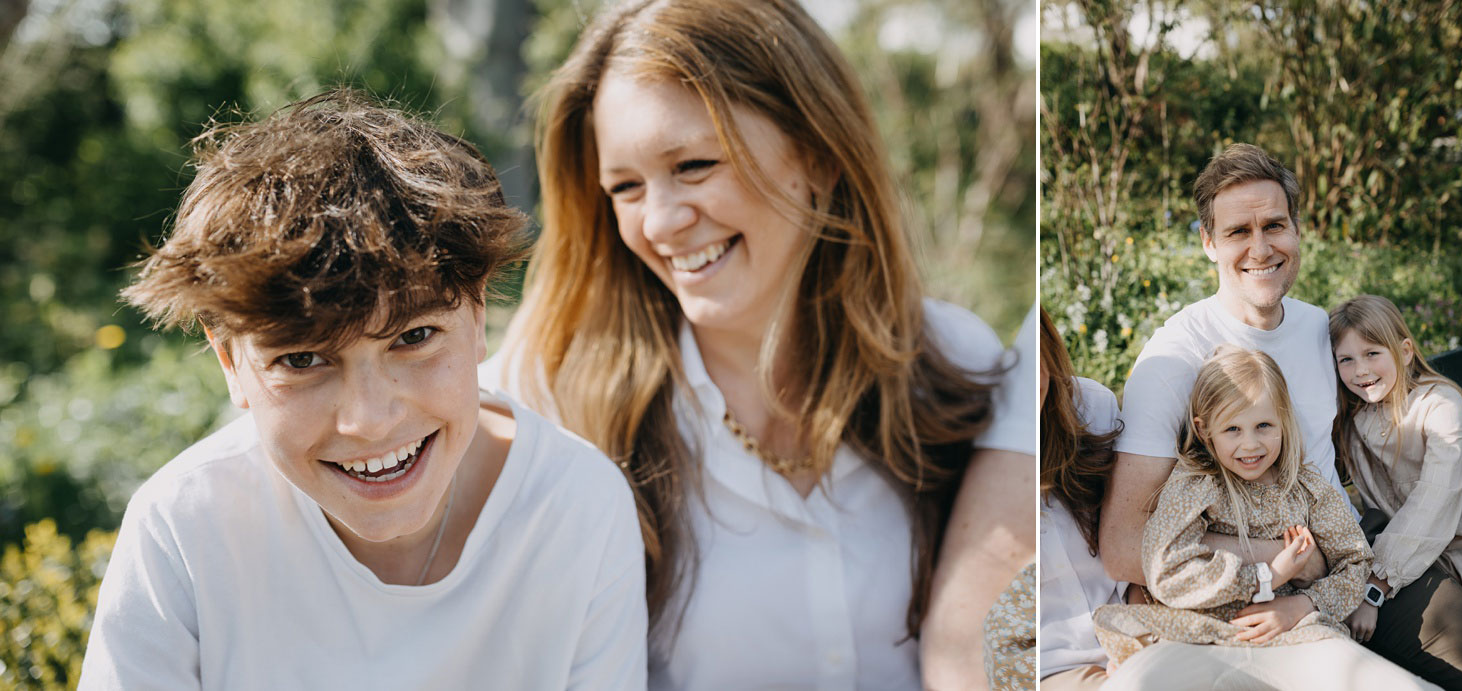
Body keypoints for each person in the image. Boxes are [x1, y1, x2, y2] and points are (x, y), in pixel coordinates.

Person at [483, 1, 1036, 687]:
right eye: (624, 187)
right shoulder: (548, 396)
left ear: (820, 155)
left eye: (693, 164)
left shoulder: (952, 359)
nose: (660, 221)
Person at [79, 90, 647, 689]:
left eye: (415, 336)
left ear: (478, 319)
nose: (370, 421)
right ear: (229, 361)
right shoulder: (185, 525)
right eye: (302, 359)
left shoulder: (576, 506)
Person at [1098, 142, 1462, 688]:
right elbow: (1124, 549)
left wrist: (1446, 454)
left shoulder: (1317, 329)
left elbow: (1382, 396)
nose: (1260, 247)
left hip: (1361, 567)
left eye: (1275, 225)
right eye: (1239, 231)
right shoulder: (1173, 362)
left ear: (1297, 230)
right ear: (1208, 243)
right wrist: (1292, 559)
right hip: (1264, 604)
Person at [1092, 346, 1434, 690]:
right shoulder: (1197, 485)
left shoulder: (1304, 488)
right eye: (1233, 430)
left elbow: (1355, 561)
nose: (1250, 445)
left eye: (1263, 425)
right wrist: (1265, 577)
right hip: (1205, 635)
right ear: (1205, 428)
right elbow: (1165, 569)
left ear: (1283, 420)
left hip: (1294, 632)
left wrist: (1303, 604)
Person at [1329, 296, 1462, 672]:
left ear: (1405, 351)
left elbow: (1434, 500)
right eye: (1346, 359)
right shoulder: (1351, 420)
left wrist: (1375, 587)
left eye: (1373, 353)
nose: (1361, 370)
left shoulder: (1440, 405)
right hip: (1414, 560)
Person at [1032, 307, 1124, 690]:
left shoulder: (1092, 408)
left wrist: (1134, 643)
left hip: (1133, 632)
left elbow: (1136, 537)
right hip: (1050, 666)